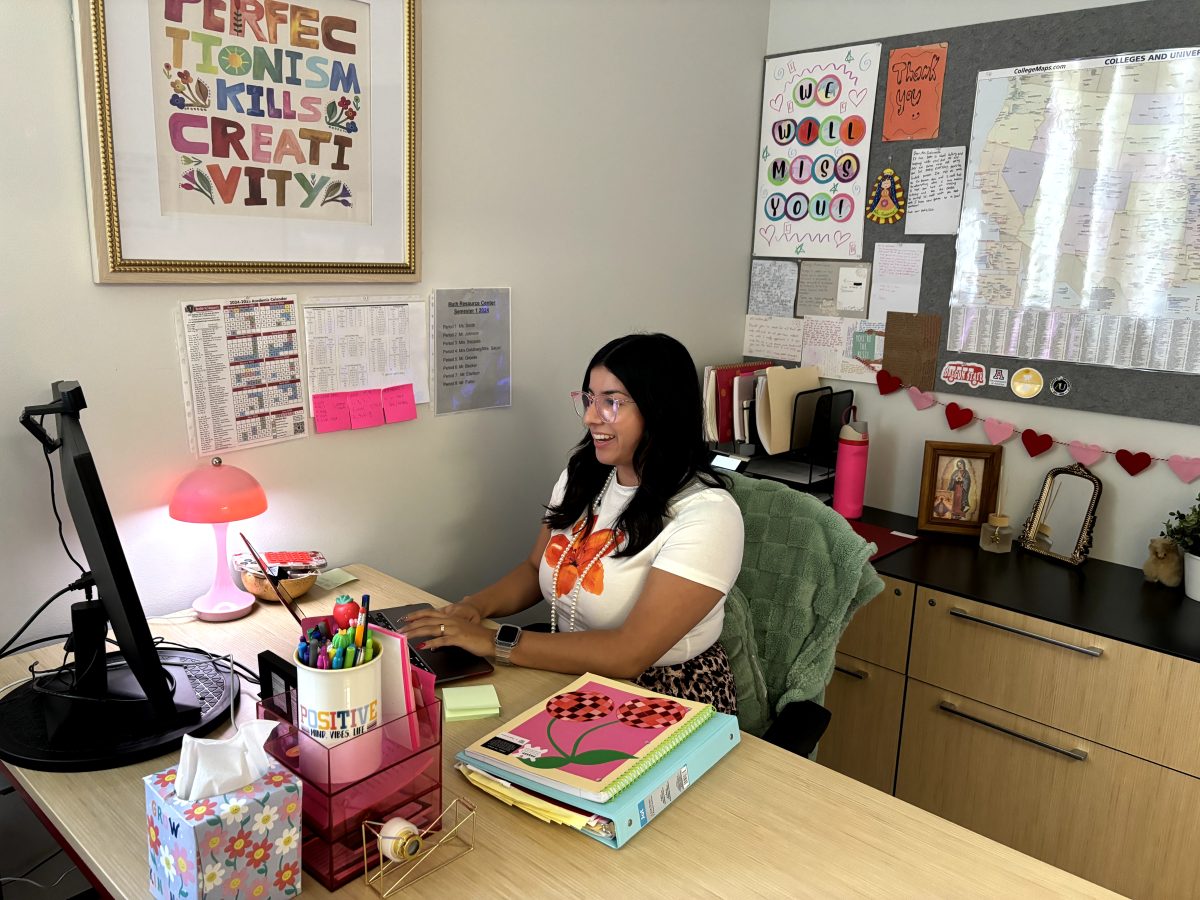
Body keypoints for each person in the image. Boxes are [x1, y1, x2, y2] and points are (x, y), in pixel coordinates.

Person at [402, 333, 745, 714]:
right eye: (588, 399)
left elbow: (628, 654)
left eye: (611, 402)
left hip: (665, 694)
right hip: (571, 673)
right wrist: (474, 608)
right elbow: (536, 568)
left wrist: (493, 642)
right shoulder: (585, 475)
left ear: (660, 409)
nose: (590, 417)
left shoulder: (709, 516)